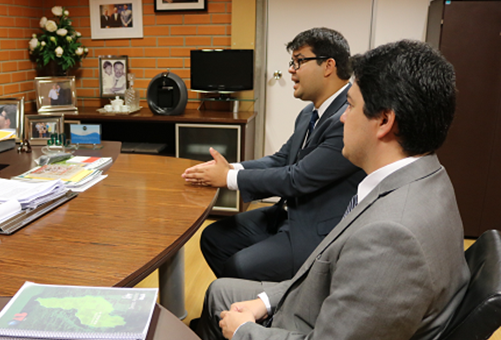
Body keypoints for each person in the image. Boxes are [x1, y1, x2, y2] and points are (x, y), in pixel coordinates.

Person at [195, 39, 470, 340]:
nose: (342, 117)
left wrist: (245, 331)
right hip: (319, 296)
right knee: (220, 290)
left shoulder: (392, 239)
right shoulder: (428, 177)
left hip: (308, 321)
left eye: (351, 106)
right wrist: (263, 302)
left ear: (384, 120)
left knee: (222, 300)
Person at [182, 28, 365, 281]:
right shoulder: (308, 114)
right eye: (292, 62)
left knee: (240, 266)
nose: (291, 69)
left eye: (299, 61)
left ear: (328, 66)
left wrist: (227, 179)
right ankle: (241, 307)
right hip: (287, 213)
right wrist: (231, 169)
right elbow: (281, 160)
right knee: (214, 238)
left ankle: (258, 311)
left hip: (315, 229)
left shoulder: (347, 118)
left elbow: (296, 178)